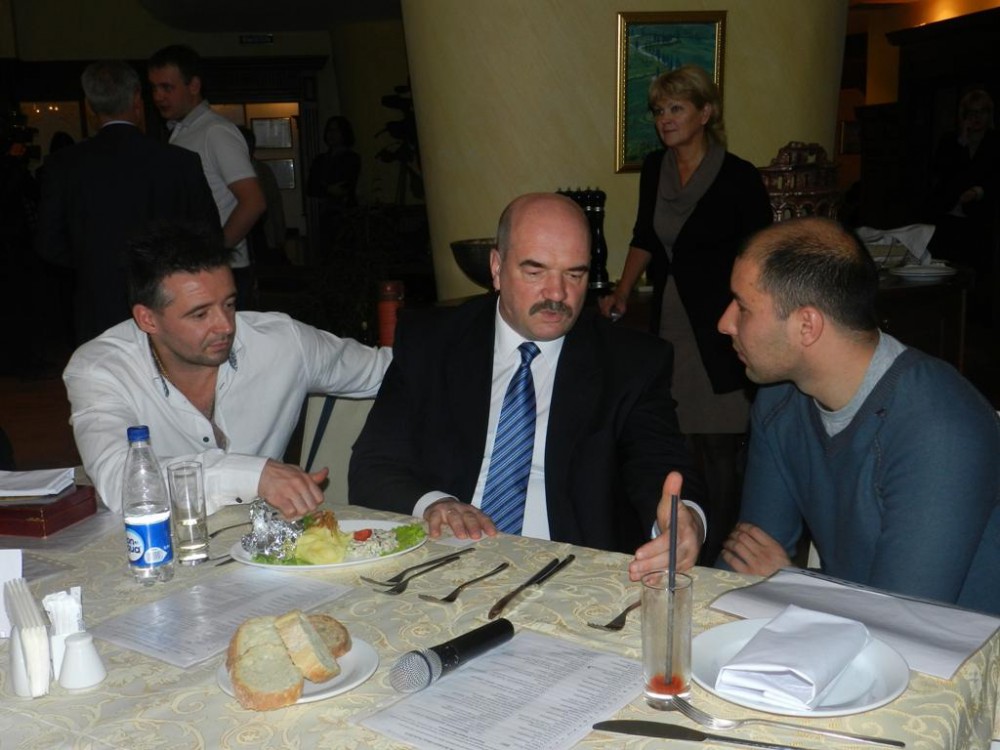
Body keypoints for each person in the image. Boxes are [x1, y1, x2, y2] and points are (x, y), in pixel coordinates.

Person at [349, 192, 706, 577]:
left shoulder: (630, 363)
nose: (557, 294)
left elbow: (659, 465)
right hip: (444, 562)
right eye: (536, 272)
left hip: (568, 575)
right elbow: (374, 465)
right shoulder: (432, 342)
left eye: (574, 274)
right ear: (497, 268)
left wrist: (684, 521)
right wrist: (436, 504)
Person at [716, 217, 1000, 614]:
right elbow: (747, 562)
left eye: (743, 307)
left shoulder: (941, 430)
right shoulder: (780, 399)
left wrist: (795, 585)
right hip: (848, 628)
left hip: (961, 646)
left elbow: (905, 616)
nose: (725, 323)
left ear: (807, 325)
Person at [63, 223, 392, 520]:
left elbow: (390, 371)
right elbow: (122, 483)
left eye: (230, 304)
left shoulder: (283, 343)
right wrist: (254, 476)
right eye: (200, 314)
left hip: (265, 544)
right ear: (148, 319)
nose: (225, 326)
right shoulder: (100, 369)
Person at [599, 65, 772, 563]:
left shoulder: (738, 175)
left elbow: (761, 254)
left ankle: (723, 557)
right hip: (672, 317)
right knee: (675, 437)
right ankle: (681, 542)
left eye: (676, 108)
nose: (665, 119)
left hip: (720, 323)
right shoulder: (656, 168)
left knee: (718, 446)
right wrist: (622, 292)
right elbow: (645, 236)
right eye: (659, 110)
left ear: (705, 112)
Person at [35, 60, 220, 344]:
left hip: (98, 300)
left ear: (90, 105)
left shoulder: (64, 165)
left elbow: (49, 243)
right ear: (137, 99)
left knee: (106, 370)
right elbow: (208, 234)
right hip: (171, 297)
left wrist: (92, 261)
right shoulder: (180, 162)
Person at [148, 45, 265, 308]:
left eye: (167, 87)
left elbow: (254, 202)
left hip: (221, 271)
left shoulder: (215, 131)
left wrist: (214, 254)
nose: (158, 96)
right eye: (154, 88)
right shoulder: (183, 131)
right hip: (197, 268)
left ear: (194, 86)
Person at [925, 88, 999, 317]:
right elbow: (941, 173)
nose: (976, 118)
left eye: (982, 112)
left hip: (979, 218)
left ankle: (975, 315)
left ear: (989, 115)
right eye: (971, 113)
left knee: (977, 269)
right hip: (948, 216)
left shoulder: (994, 142)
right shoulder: (951, 141)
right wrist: (962, 142)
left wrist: (978, 191)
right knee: (949, 268)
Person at [307, 115, 360, 254]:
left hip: (345, 213)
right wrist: (327, 189)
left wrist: (325, 187)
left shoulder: (351, 158)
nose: (331, 134)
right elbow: (311, 186)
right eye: (329, 130)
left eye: (335, 130)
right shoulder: (320, 160)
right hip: (324, 214)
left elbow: (346, 185)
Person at [238, 125, 289, 266]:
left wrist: (279, 235)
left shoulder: (263, 171)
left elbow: (274, 203)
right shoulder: (227, 170)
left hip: (261, 229)